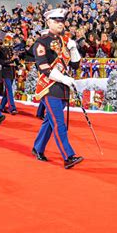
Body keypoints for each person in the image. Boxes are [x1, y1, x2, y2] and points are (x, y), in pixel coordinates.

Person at [32, 9, 84, 169]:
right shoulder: (41, 42)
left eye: (62, 21)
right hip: (49, 87)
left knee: (50, 120)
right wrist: (64, 78)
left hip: (62, 88)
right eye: (56, 21)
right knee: (58, 122)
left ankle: (38, 148)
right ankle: (68, 156)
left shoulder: (65, 41)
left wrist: (73, 49)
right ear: (48, 22)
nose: (60, 23)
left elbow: (75, 65)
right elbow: (44, 68)